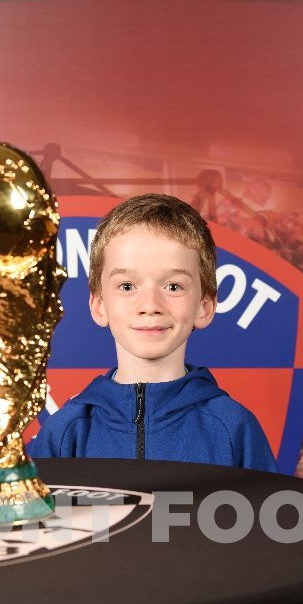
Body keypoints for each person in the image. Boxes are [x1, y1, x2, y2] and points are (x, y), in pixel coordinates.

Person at [27, 194, 278, 471]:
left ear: (205, 307)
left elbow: (268, 514)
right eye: (127, 286)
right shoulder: (65, 433)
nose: (149, 306)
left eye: (173, 287)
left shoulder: (234, 429)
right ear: (99, 306)